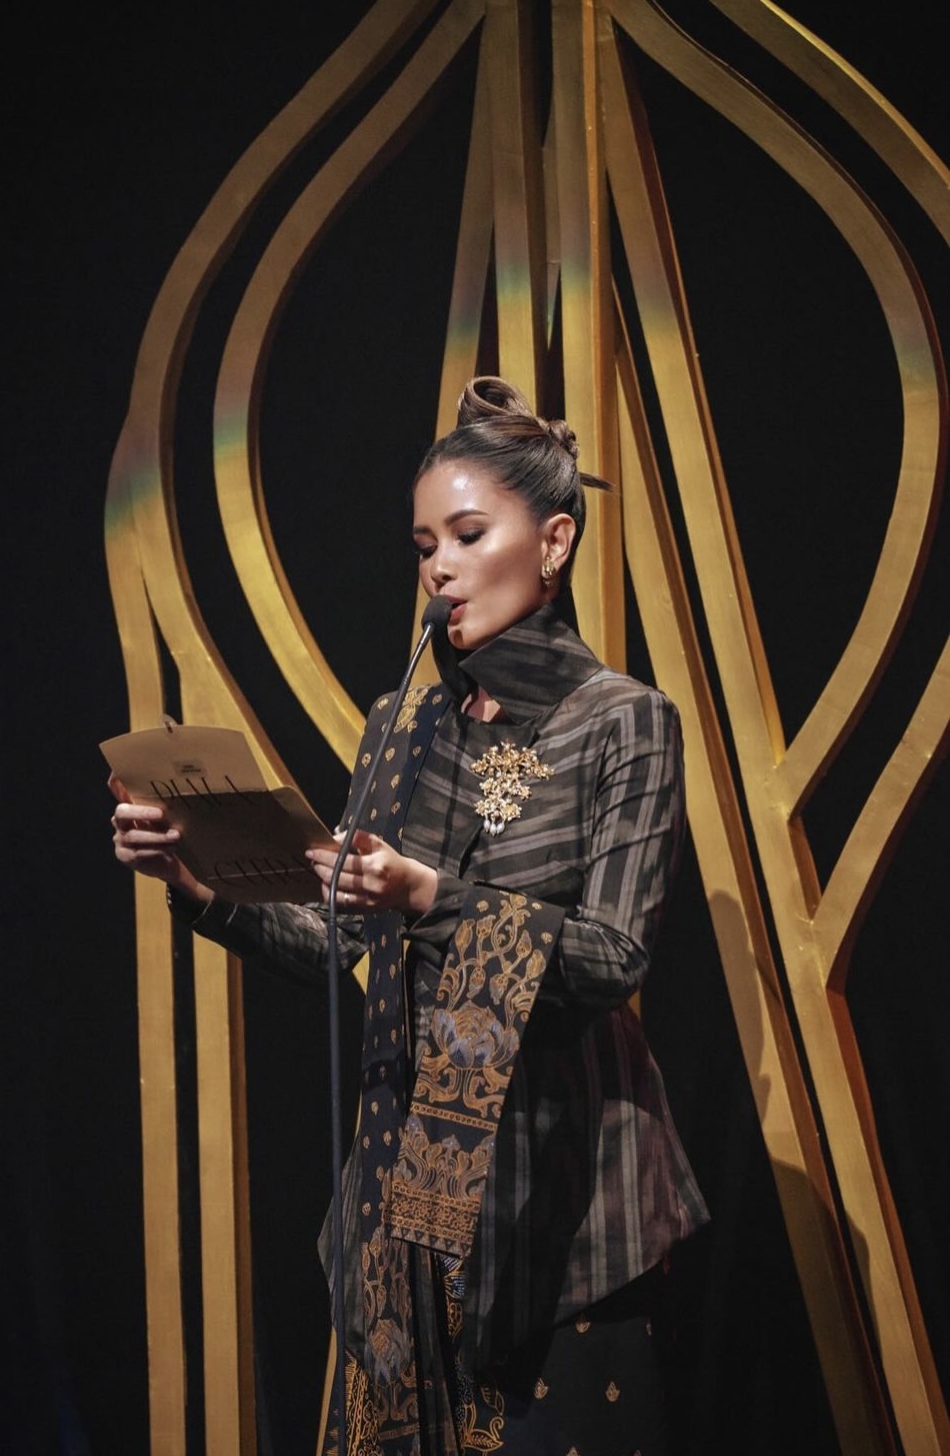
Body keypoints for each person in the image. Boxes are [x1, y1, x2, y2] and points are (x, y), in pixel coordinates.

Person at [112, 377, 708, 1454]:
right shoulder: (403, 724)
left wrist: (430, 894)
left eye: (469, 535)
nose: (439, 566)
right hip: (406, 1204)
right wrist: (198, 885)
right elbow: (338, 939)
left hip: (563, 1205)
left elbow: (613, 956)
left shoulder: (622, 720)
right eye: (425, 544)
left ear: (555, 540)